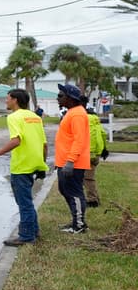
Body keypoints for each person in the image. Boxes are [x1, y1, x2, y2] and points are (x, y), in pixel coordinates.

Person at [0, 89, 48, 246]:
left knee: (24, 203)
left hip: (21, 166)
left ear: (15, 100)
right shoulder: (35, 117)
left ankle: (26, 236)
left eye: (8, 99)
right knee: (27, 201)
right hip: (34, 163)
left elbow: (16, 141)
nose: (6, 101)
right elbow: (44, 143)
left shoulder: (14, 117)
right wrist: (42, 165)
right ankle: (34, 231)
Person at [55, 83, 91, 233]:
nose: (57, 98)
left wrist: (70, 161)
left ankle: (79, 226)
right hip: (65, 161)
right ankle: (76, 220)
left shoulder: (77, 114)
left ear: (70, 98)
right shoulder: (72, 112)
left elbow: (79, 140)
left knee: (74, 193)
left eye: (60, 95)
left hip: (73, 163)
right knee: (65, 190)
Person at [80, 96, 110, 208]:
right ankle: (95, 198)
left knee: (87, 178)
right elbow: (102, 133)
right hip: (96, 153)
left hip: (87, 153)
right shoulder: (94, 117)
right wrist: (104, 149)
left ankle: (92, 201)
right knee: (88, 177)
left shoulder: (82, 118)